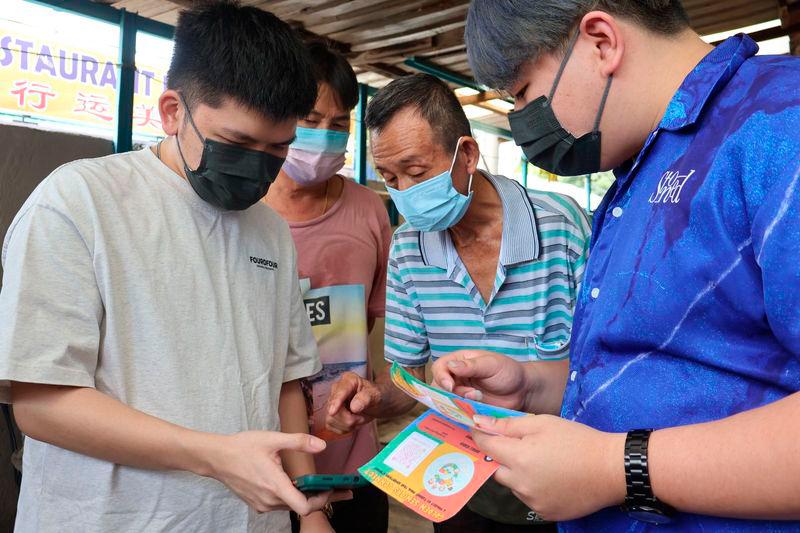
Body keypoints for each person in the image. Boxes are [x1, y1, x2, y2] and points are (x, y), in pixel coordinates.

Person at [432, 0, 800, 531]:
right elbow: (670, 367)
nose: (520, 122)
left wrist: (615, 468)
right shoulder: (643, 162)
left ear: (601, 41)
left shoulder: (780, 124)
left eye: (522, 94)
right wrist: (532, 387)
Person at [0, 2, 348, 532]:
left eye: (277, 148)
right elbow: (41, 404)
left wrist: (312, 508)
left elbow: (283, 382)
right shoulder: (79, 203)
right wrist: (214, 455)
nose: (258, 164)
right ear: (171, 111)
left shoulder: (270, 230)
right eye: (237, 142)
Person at [325, 73, 591, 532]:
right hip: (460, 481)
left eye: (416, 172)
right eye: (390, 179)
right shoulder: (409, 249)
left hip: (565, 478)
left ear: (466, 154)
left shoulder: (562, 226)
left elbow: (608, 363)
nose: (405, 193)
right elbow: (405, 382)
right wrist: (373, 398)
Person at [263, 41, 393, 533]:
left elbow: (366, 323)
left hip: (353, 462)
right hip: (263, 464)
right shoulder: (244, 213)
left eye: (338, 125)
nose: (324, 137)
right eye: (309, 120)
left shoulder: (368, 210)